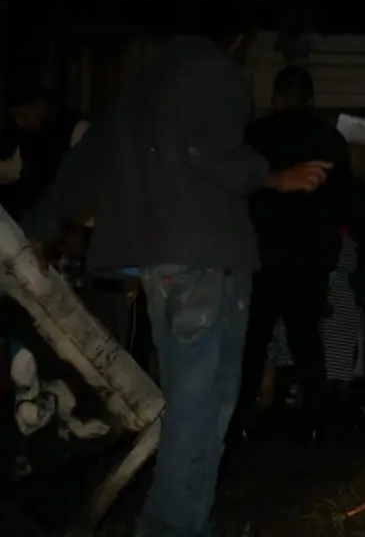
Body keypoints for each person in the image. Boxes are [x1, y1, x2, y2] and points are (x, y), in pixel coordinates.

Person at [20, 28, 332, 537]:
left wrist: (41, 224)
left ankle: (176, 518)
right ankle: (173, 525)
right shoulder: (215, 73)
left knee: (186, 399)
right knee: (205, 404)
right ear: (237, 38)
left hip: (159, 263)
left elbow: (89, 158)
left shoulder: (143, 86)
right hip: (206, 259)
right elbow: (209, 153)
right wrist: (274, 176)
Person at [236, 65, 365, 443]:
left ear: (276, 97)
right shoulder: (328, 140)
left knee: (253, 338)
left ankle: (241, 419)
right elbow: (347, 201)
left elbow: (238, 191)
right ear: (311, 99)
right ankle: (314, 421)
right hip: (309, 255)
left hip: (261, 253)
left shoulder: (254, 137)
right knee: (306, 337)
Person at [0, 82, 88, 219]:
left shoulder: (77, 129)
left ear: (40, 106)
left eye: (23, 115)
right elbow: (12, 170)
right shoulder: (24, 134)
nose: (20, 123)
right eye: (15, 117)